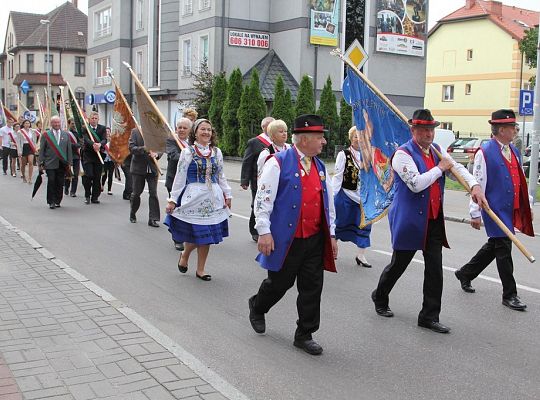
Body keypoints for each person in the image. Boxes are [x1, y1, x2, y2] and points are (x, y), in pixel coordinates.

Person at [371, 109, 487, 334]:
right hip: (410, 220)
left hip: (433, 220)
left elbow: (457, 168)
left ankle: (429, 316)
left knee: (435, 269)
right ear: (413, 130)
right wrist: (439, 168)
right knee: (399, 264)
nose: (429, 134)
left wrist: (474, 185)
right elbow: (416, 183)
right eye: (424, 130)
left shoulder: (437, 150)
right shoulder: (402, 155)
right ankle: (380, 295)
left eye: (431, 130)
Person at [248, 114, 338, 356]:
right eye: (320, 137)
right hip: (287, 239)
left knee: (312, 287)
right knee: (279, 283)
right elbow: (263, 199)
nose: (324, 142)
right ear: (304, 139)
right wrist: (264, 232)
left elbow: (328, 202)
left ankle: (305, 333)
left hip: (314, 238)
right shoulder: (277, 162)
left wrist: (331, 234)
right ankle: (258, 305)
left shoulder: (319, 166)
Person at [454, 109, 534, 311]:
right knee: (504, 249)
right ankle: (510, 294)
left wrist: (528, 204)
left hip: (510, 208)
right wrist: (474, 212)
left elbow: (520, 181)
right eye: (511, 127)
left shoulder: (513, 151)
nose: (515, 130)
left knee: (496, 246)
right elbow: (478, 183)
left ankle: (466, 273)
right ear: (500, 129)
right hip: (494, 209)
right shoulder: (485, 152)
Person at [165, 119, 232, 282]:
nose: (206, 133)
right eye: (203, 129)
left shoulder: (217, 152)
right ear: (195, 132)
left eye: (209, 130)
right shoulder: (187, 152)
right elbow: (180, 177)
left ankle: (201, 269)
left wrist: (228, 194)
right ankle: (185, 254)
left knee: (207, 235)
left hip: (213, 198)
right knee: (197, 234)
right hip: (194, 197)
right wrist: (173, 199)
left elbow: (221, 175)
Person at [332, 126, 373, 268]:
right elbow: (338, 176)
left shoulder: (369, 154)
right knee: (338, 223)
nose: (359, 139)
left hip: (364, 198)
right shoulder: (344, 154)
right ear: (351, 138)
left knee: (364, 226)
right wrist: (333, 196)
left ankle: (361, 255)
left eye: (361, 136)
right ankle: (331, 250)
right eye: (356, 136)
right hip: (346, 195)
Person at [241, 116, 275, 242]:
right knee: (257, 203)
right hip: (258, 179)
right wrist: (244, 180)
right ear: (264, 127)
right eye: (270, 125)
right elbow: (247, 161)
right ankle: (254, 230)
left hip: (274, 179)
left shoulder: (277, 141)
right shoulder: (255, 142)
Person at [166, 118, 192, 251]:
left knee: (187, 210)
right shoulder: (172, 141)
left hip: (191, 183)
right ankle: (178, 239)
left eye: (184, 128)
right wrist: (190, 156)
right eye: (179, 127)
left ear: (190, 130)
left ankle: (187, 234)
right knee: (176, 209)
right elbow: (173, 155)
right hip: (174, 181)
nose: (181, 130)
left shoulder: (192, 142)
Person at [128, 128, 162, 227]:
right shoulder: (135, 131)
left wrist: (157, 154)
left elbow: (160, 148)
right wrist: (143, 148)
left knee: (153, 193)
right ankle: (133, 212)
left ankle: (153, 218)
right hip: (138, 168)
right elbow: (131, 148)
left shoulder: (156, 132)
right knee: (136, 193)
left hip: (152, 168)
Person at [38, 116, 73, 209]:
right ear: (51, 123)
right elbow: (42, 150)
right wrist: (41, 162)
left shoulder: (66, 135)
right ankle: (51, 201)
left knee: (60, 182)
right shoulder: (46, 135)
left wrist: (70, 162)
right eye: (55, 123)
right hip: (50, 162)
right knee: (51, 181)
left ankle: (58, 200)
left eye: (58, 122)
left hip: (62, 163)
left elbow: (68, 149)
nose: (57, 124)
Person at [81, 111, 107, 204]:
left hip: (98, 156)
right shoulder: (85, 128)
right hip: (88, 155)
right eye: (92, 118)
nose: (94, 120)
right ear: (89, 119)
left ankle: (95, 197)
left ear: (98, 119)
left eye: (96, 118)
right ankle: (87, 195)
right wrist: (93, 144)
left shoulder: (102, 128)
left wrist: (100, 144)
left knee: (97, 177)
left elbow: (105, 139)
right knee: (89, 175)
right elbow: (86, 139)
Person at [16, 119, 38, 184]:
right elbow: (18, 142)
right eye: (26, 123)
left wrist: (35, 147)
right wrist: (19, 151)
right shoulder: (20, 132)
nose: (27, 124)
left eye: (28, 123)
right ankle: (24, 177)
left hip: (30, 147)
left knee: (31, 162)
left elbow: (36, 138)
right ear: (23, 124)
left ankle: (30, 178)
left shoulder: (33, 131)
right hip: (24, 147)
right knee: (23, 164)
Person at [64, 118, 82, 197]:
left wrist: (74, 145)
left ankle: (73, 191)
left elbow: (80, 143)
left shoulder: (77, 134)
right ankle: (66, 187)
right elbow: (65, 144)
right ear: (69, 124)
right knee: (68, 174)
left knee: (75, 174)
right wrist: (74, 145)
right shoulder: (65, 133)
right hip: (67, 157)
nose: (74, 125)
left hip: (76, 156)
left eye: (75, 123)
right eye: (72, 123)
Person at [101, 127, 115, 195]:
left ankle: (109, 190)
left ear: (110, 132)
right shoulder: (103, 140)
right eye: (106, 131)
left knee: (110, 175)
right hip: (105, 159)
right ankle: (102, 185)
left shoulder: (113, 140)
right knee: (105, 174)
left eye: (108, 131)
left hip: (111, 160)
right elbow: (101, 149)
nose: (107, 133)